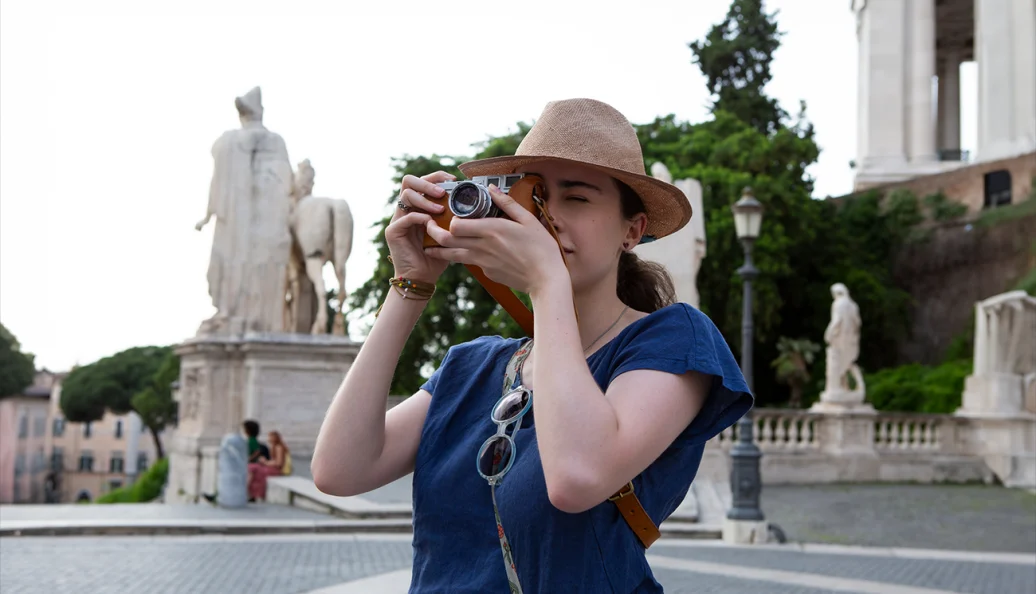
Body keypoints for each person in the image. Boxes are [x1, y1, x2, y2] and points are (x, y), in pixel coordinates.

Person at [312, 98, 753, 593]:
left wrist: (547, 280)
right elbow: (339, 470)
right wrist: (410, 285)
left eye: (577, 198)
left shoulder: (674, 340)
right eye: (534, 197)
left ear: (632, 231)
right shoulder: (474, 364)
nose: (548, 217)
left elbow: (575, 478)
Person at [248, 430, 292, 501]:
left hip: (277, 470)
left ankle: (256, 494)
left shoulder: (278, 447)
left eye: (270, 437)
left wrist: (265, 462)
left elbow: (279, 463)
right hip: (272, 467)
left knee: (256, 471)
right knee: (252, 468)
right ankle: (252, 494)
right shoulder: (274, 447)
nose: (268, 439)